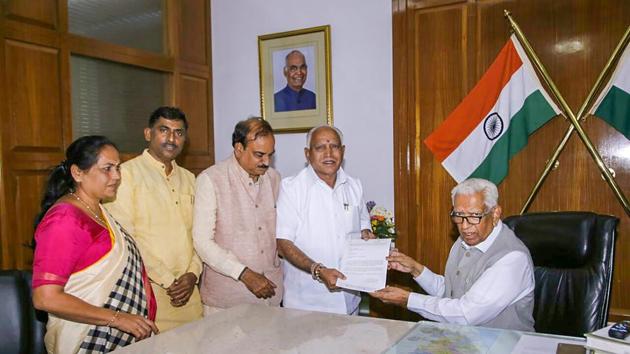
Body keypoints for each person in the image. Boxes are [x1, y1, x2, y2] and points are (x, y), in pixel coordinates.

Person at [32, 135, 159, 353]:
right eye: (107, 168)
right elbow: (45, 297)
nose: (116, 176)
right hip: (85, 338)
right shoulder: (64, 219)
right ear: (77, 173)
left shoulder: (98, 210)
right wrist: (117, 318)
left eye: (118, 168)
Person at [370, 178, 535, 331]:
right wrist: (416, 269)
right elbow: (451, 293)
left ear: (495, 213)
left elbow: (465, 314)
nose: (464, 226)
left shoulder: (512, 259)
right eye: (458, 215)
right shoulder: (466, 240)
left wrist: (408, 300)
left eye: (474, 216)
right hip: (466, 342)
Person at [105, 107, 203, 331]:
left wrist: (192, 273)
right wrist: (169, 281)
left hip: (190, 293)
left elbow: (199, 234)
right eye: (164, 130)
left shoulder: (189, 179)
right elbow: (128, 239)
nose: (171, 138)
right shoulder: (125, 175)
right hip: (148, 294)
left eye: (179, 133)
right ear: (148, 134)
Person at [276, 125, 375, 315]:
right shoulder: (291, 188)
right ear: (307, 154)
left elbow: (364, 229)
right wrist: (318, 270)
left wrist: (368, 238)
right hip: (307, 305)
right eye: (320, 147)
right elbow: (283, 243)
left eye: (335, 147)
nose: (328, 153)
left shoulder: (354, 186)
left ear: (343, 151)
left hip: (349, 301)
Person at [193, 117, 283, 314]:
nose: (266, 162)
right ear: (238, 148)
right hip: (226, 301)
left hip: (271, 297)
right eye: (259, 155)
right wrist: (244, 274)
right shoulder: (211, 180)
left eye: (270, 155)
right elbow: (202, 243)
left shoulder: (274, 179)